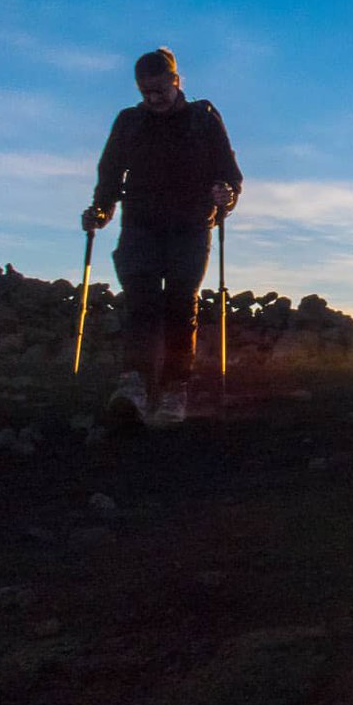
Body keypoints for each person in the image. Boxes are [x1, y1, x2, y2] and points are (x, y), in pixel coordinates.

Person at [81, 48, 242, 425]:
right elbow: (109, 175)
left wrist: (227, 197)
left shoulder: (203, 118)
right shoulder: (128, 122)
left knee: (179, 307)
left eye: (160, 91)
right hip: (141, 225)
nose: (153, 99)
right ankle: (134, 384)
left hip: (190, 226)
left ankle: (174, 389)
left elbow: (229, 172)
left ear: (176, 81)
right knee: (140, 304)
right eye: (145, 92)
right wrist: (101, 211)